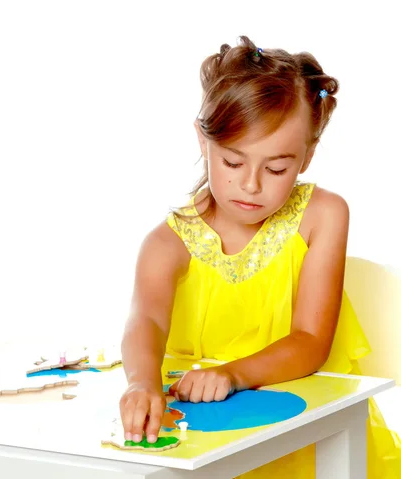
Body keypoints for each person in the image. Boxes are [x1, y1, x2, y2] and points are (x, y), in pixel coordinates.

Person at [119, 36, 400, 477]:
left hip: (312, 436)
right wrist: (141, 384)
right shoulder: (167, 243)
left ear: (307, 154)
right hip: (208, 438)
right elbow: (145, 321)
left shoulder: (322, 216)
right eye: (233, 163)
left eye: (276, 168)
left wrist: (231, 375)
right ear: (202, 140)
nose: (251, 185)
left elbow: (311, 341)